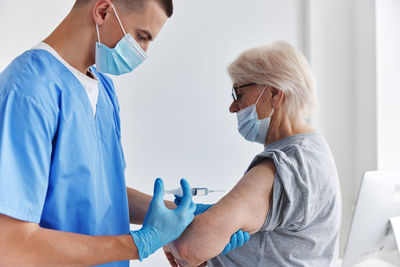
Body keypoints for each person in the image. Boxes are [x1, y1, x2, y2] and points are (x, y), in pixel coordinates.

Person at [0, 0, 244, 266]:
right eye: (141, 37)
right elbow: (11, 244)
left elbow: (101, 193)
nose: (143, 52)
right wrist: (141, 242)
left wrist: (183, 218)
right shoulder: (28, 90)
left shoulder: (103, 90)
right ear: (103, 11)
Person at [163, 41, 342, 267]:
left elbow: (189, 247)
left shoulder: (288, 163)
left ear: (275, 94)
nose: (233, 107)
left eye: (238, 93)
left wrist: (174, 238)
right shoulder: (313, 149)